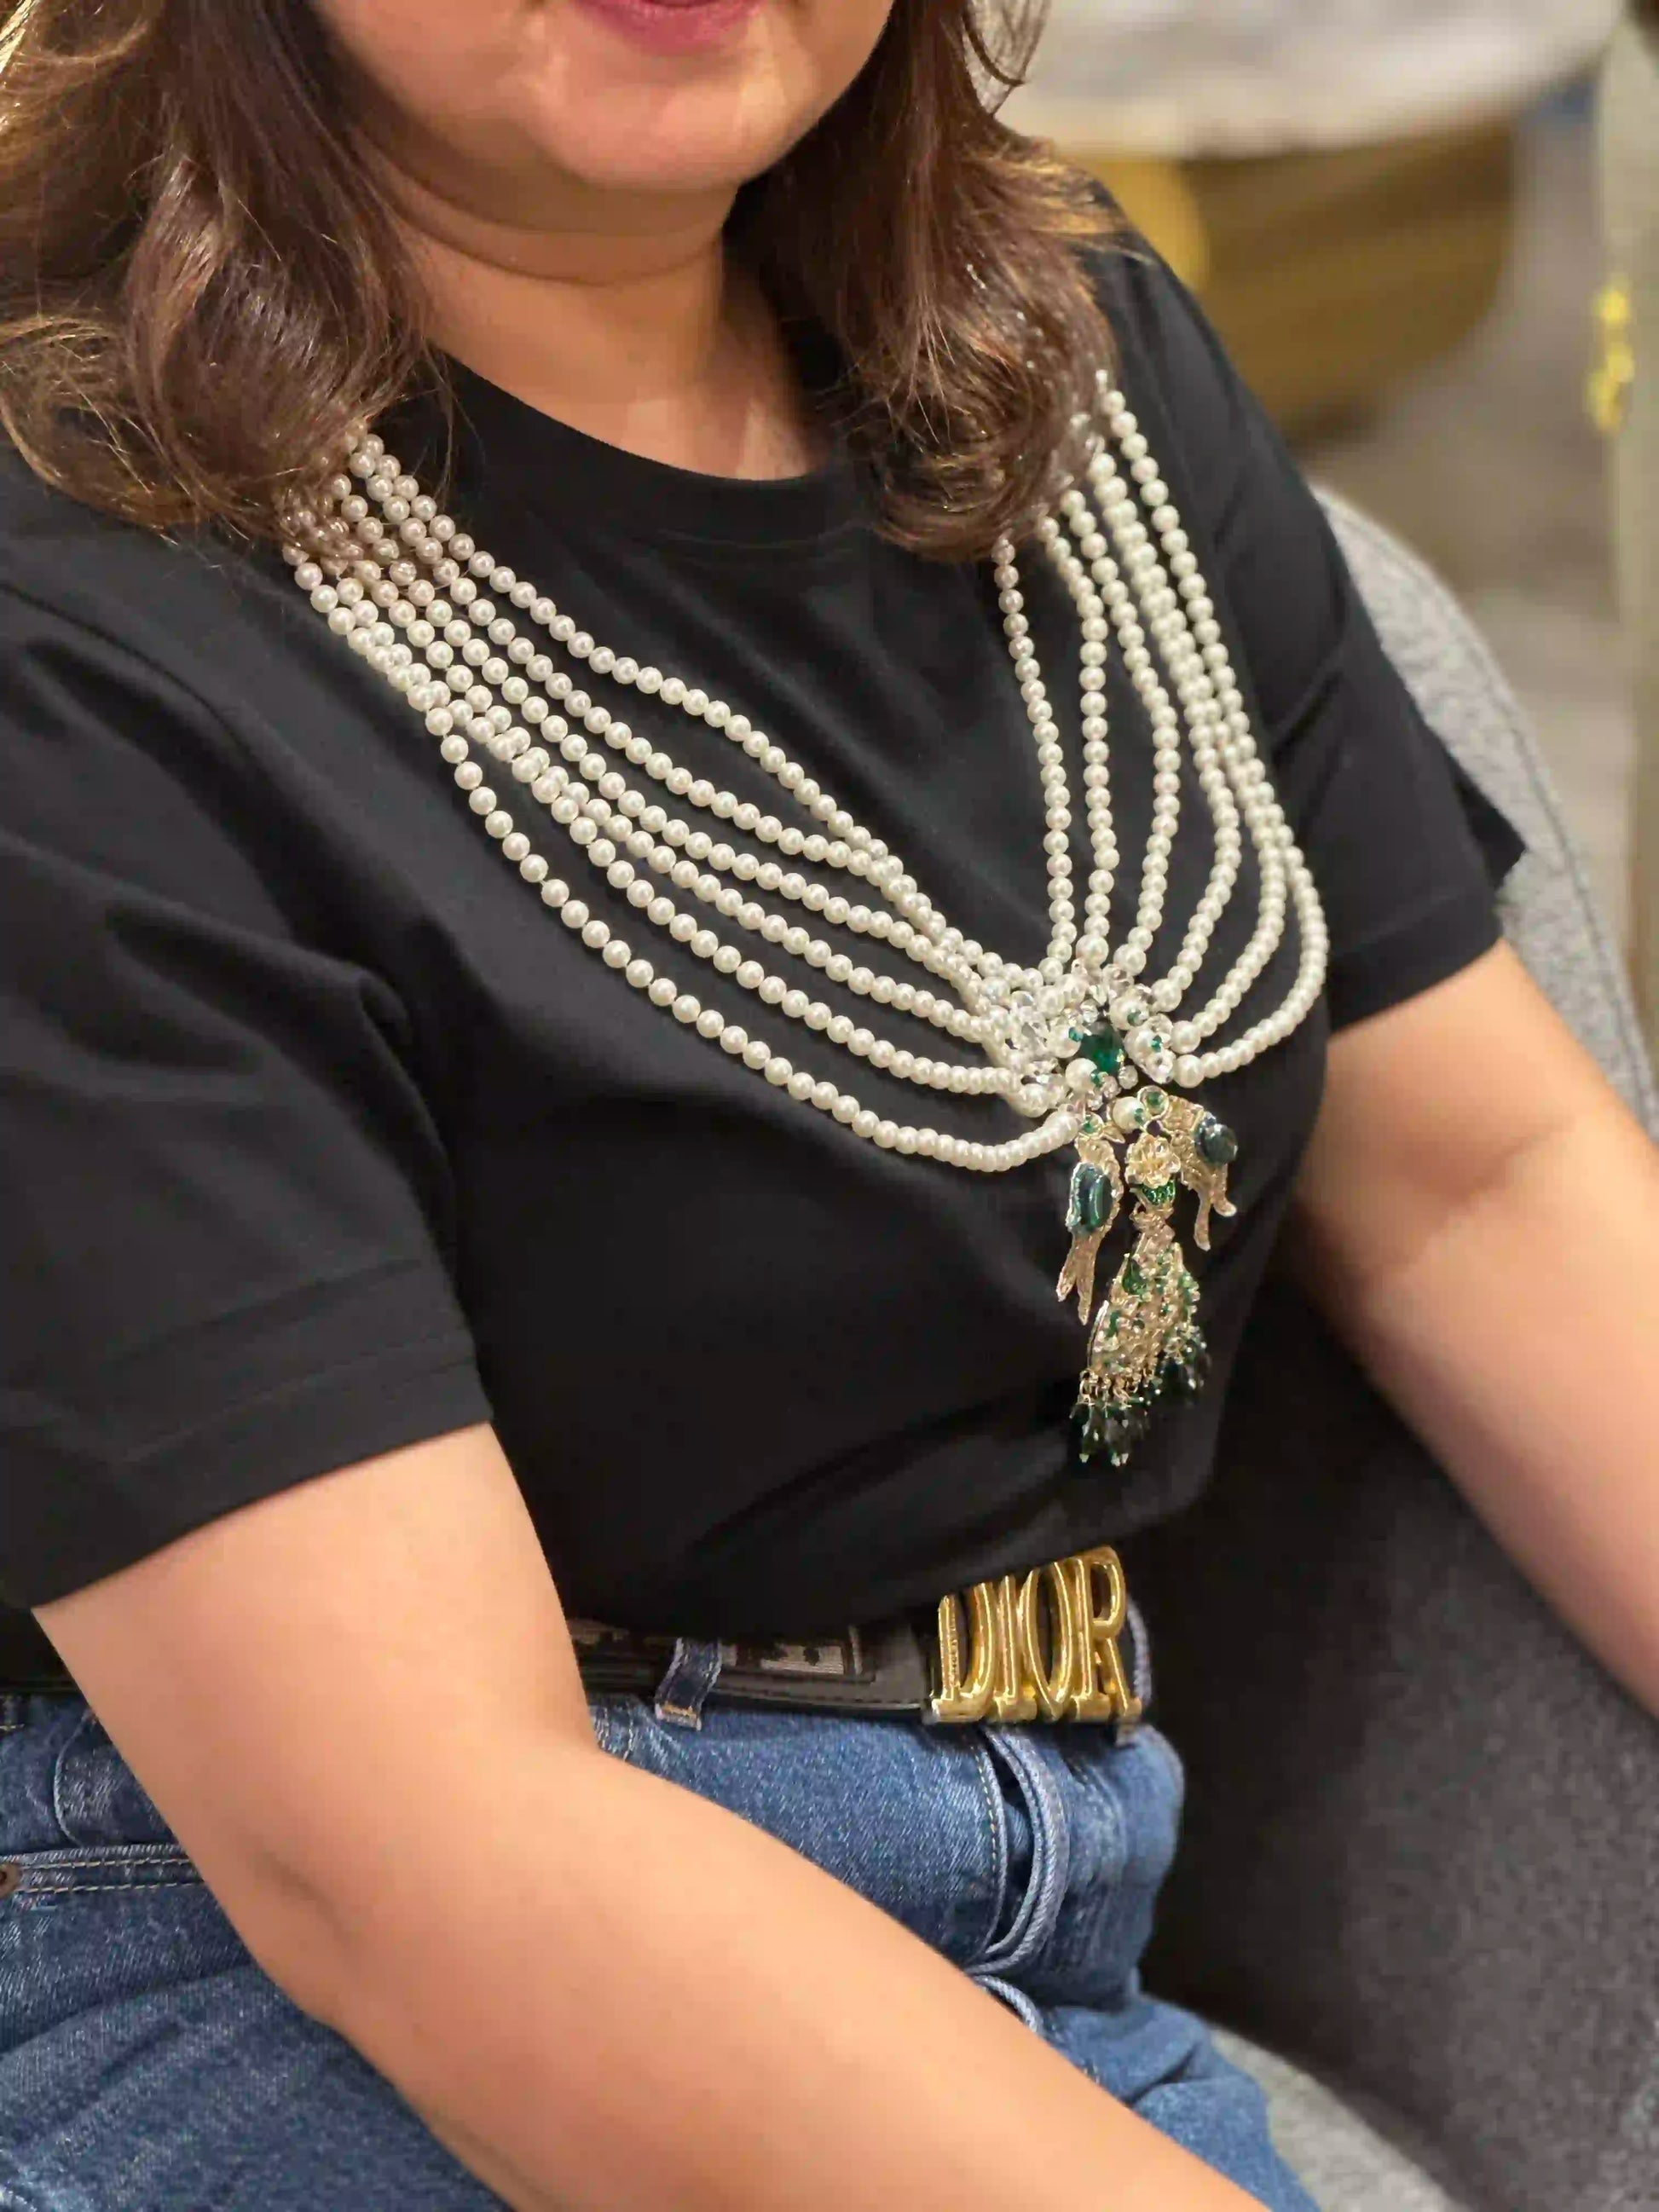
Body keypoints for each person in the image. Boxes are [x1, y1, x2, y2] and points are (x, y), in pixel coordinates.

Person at [0, 3, 1654, 2208]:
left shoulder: (1069, 370)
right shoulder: (75, 615)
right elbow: (424, 1856)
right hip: (255, 1969)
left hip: (1048, 1900)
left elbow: (1484, 1183)